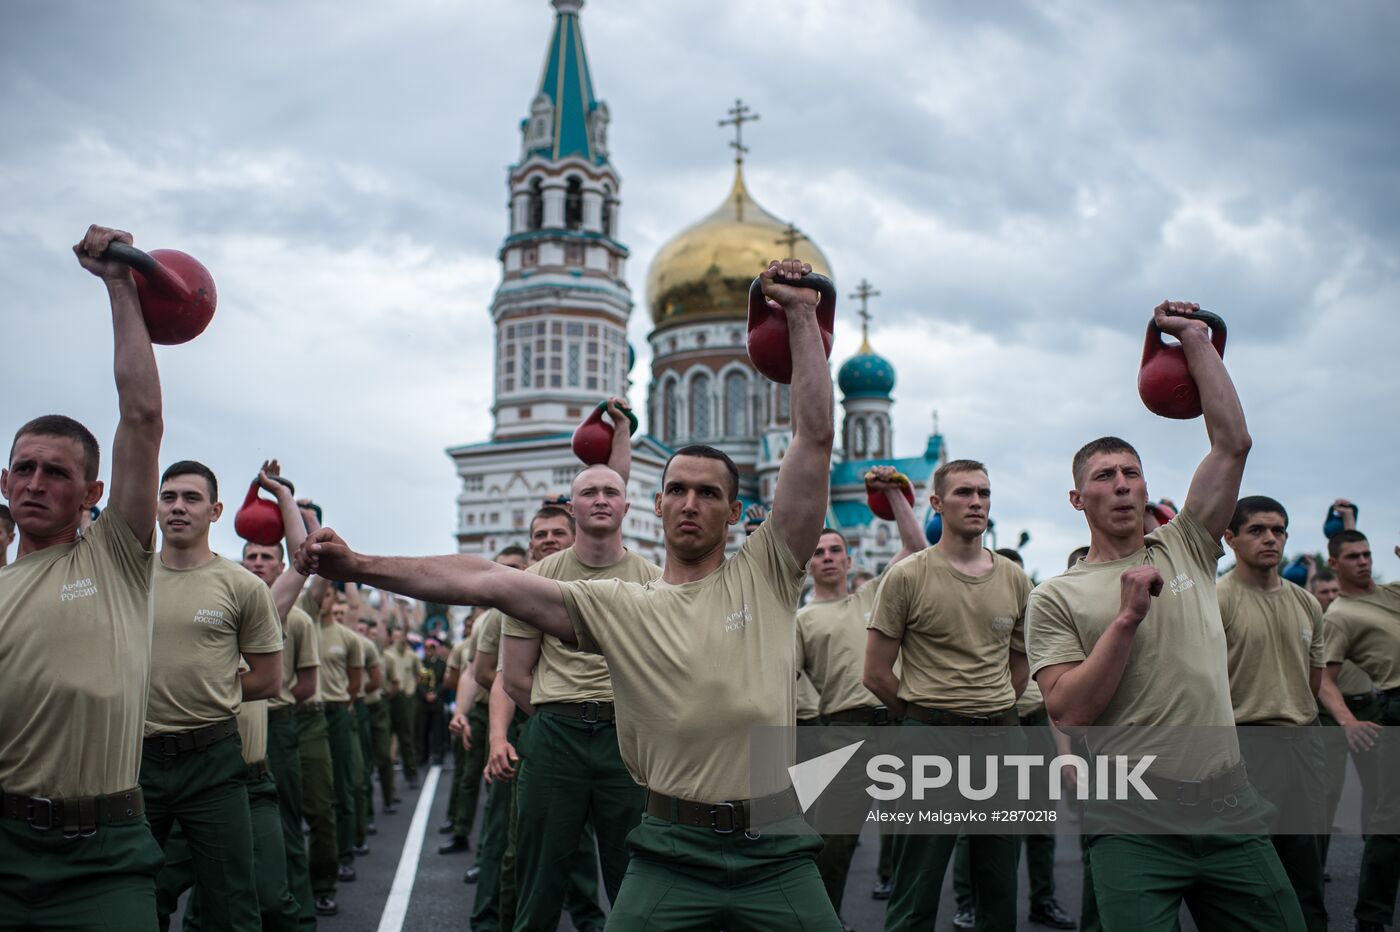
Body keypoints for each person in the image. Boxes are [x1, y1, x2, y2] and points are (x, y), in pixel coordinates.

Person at [295, 258, 843, 929]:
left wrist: (801, 317)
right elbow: (485, 580)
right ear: (660, 503)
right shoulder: (623, 606)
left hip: (774, 850)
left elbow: (812, 441)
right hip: (669, 851)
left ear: (735, 513)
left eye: (709, 493)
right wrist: (360, 564)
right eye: (676, 489)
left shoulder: (766, 574)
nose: (690, 503)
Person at [1025, 301, 1304, 932]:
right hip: (1132, 822)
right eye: (1104, 476)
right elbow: (1069, 711)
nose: (1122, 483)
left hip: (1231, 809)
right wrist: (1125, 620)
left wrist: (1196, 340)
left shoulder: (1187, 544)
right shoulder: (1055, 596)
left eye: (1132, 472)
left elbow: (1233, 443)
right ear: (1077, 498)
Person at [0, 225, 165, 927]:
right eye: (24, 469)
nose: (36, 484)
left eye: (57, 472)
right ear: (4, 481)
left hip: (103, 856)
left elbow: (142, 416)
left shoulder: (113, 556)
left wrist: (120, 286)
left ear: (94, 493)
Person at [864, 459, 1032, 932]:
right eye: (964, 493)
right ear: (937, 503)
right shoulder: (908, 576)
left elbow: (1021, 659)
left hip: (1002, 740)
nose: (976, 502)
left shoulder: (1015, 579)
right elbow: (875, 673)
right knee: (916, 886)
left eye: (983, 492)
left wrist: (993, 706)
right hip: (930, 741)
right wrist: (925, 717)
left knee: (999, 887)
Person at [501, 457, 663, 931]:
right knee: (540, 879)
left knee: (635, 875)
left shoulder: (654, 580)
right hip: (555, 738)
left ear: (626, 506)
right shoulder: (535, 578)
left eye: (610, 492)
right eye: (589, 493)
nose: (600, 500)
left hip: (627, 742)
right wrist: (565, 712)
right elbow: (514, 677)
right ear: (572, 508)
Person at [144, 460, 283, 932]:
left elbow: (267, 680)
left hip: (213, 760)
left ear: (216, 510)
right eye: (169, 497)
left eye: (191, 498)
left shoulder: (242, 586)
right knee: (135, 892)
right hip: (136, 759)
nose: (178, 507)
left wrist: (206, 688)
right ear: (156, 506)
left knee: (231, 900)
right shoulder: (129, 578)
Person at [795, 466, 923, 921]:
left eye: (836, 551)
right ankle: (826, 921)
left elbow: (914, 547)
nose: (828, 557)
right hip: (841, 733)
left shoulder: (871, 597)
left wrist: (894, 494)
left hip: (899, 723)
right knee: (833, 844)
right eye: (819, 552)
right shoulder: (802, 620)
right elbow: (780, 683)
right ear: (809, 565)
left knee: (913, 840)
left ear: (849, 561)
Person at [476, 506, 604, 932]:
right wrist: (506, 733)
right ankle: (494, 921)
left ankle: (591, 921)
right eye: (540, 534)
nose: (548, 540)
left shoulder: (608, 587)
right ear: (531, 544)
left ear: (575, 537)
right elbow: (498, 678)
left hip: (609, 735)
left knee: (597, 853)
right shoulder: (515, 598)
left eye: (557, 532)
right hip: (546, 732)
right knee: (524, 852)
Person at [1219, 496, 1328, 931]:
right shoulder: (1215, 600)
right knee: (1248, 875)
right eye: (1257, 530)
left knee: (1308, 868)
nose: (1270, 539)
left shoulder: (1307, 604)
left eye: (1278, 530)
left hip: (1304, 743)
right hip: (1244, 745)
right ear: (1229, 538)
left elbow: (1313, 682)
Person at [240, 467, 322, 928]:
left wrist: (285, 497)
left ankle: (302, 915)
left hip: (274, 728)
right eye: (248, 556)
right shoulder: (224, 598)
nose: (255, 563)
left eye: (262, 556)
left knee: (281, 835)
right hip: (196, 747)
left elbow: (304, 561)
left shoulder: (279, 613)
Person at [1320, 528, 1399, 932]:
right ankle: (1371, 918)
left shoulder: (1389, 594)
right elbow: (1323, 679)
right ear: (1334, 563)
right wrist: (1347, 722)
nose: (1364, 561)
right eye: (1353, 556)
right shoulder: (1340, 616)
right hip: (1394, 702)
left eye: (1367, 553)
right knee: (1390, 822)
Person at [317, 592, 365, 884]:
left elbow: (356, 683)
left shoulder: (348, 638)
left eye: (327, 597)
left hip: (337, 714)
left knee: (344, 785)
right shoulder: (301, 625)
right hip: (307, 714)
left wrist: (341, 707)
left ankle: (345, 855)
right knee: (317, 793)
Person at [387, 624, 422, 788]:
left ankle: (412, 774)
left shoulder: (411, 655)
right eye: (394, 636)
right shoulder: (387, 654)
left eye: (399, 636)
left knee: (406, 737)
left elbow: (419, 674)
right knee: (386, 738)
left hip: (406, 698)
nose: (397, 639)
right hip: (389, 698)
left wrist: (412, 688)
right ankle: (388, 782)